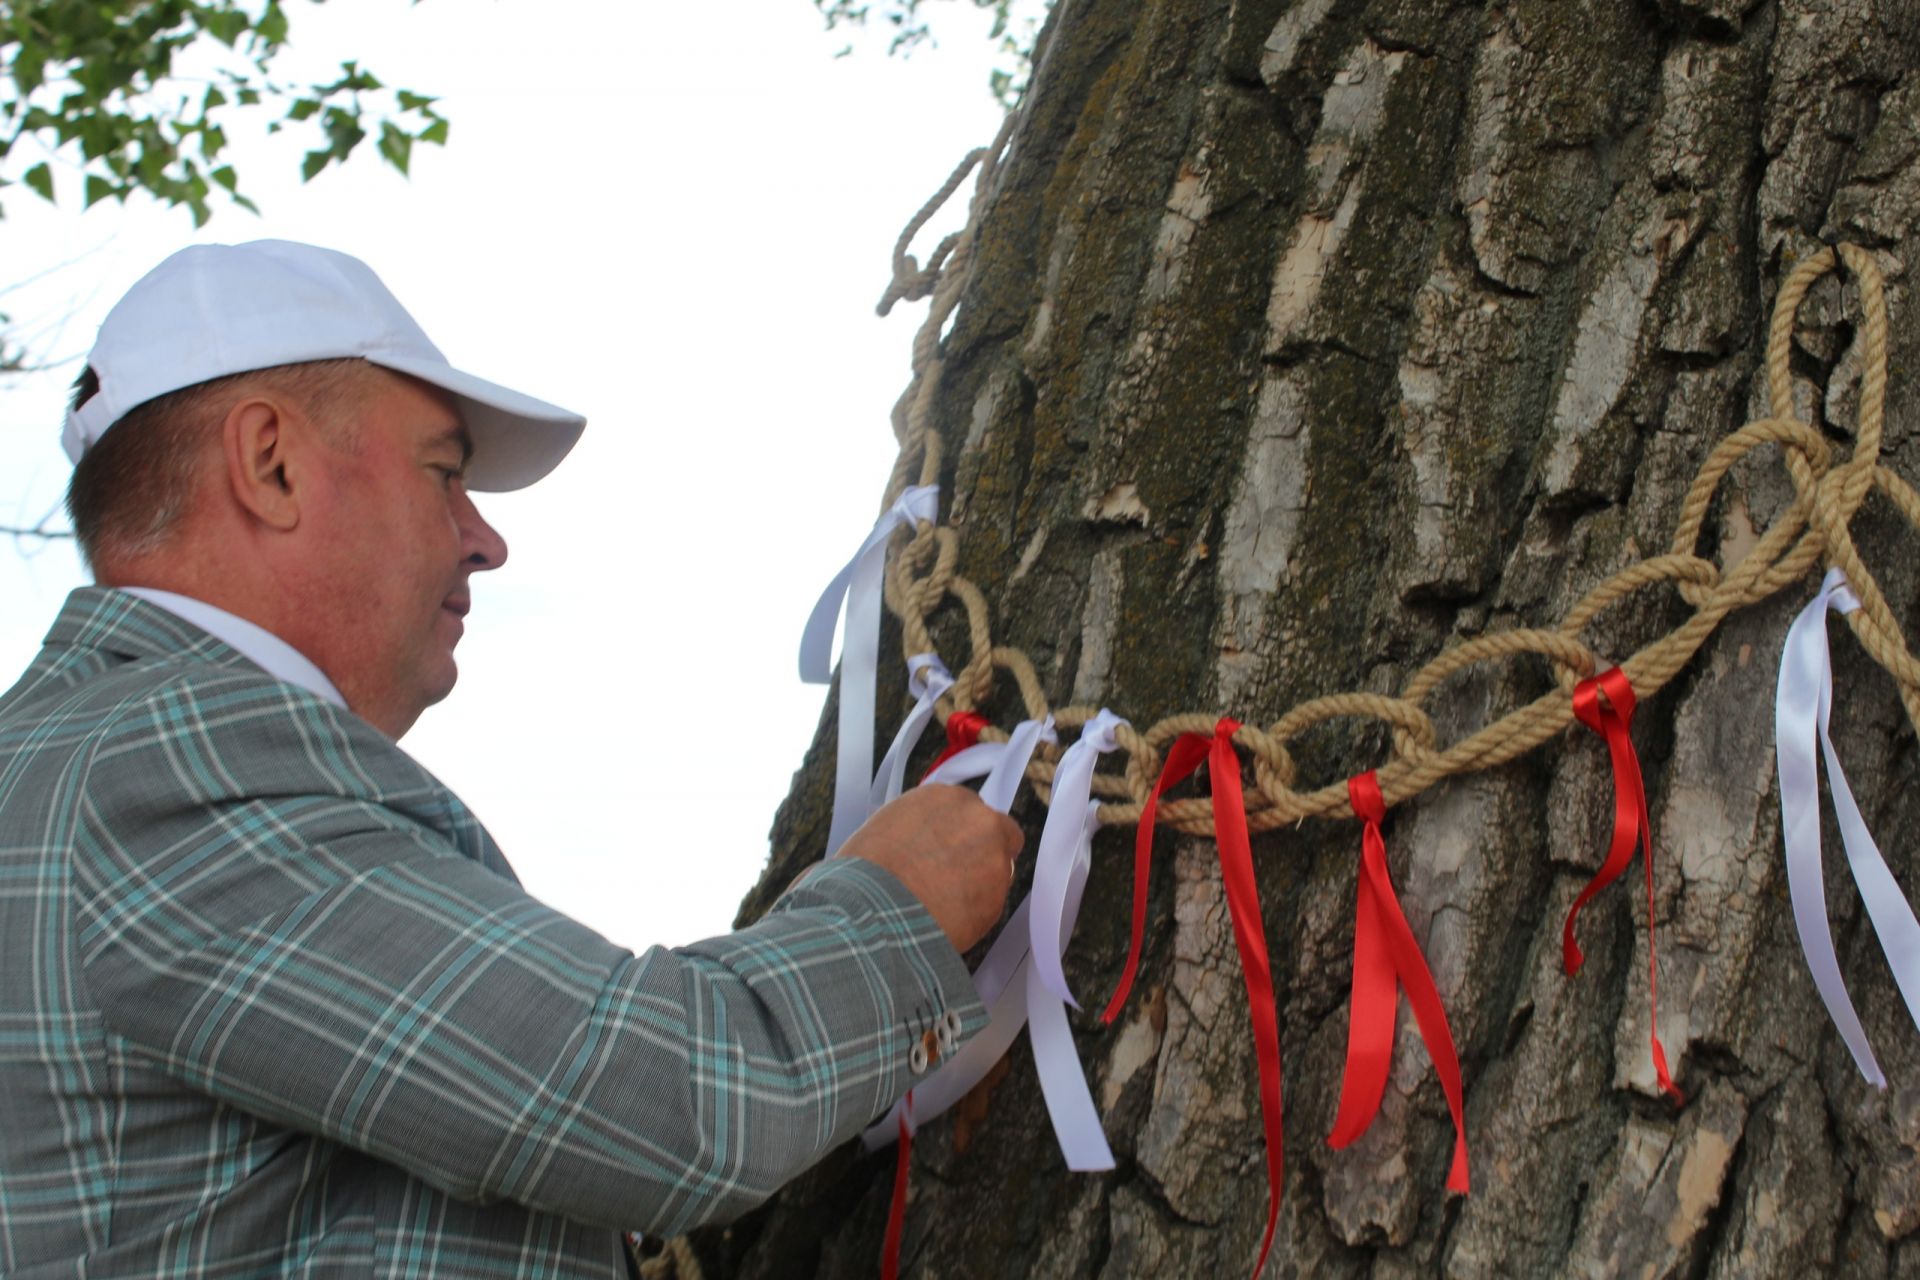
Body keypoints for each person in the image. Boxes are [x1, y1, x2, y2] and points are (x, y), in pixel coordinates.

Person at [0, 240, 1021, 1276]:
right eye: (445, 472)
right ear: (271, 462)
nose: (485, 539)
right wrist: (899, 909)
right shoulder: (170, 761)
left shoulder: (68, 755)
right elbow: (664, 1102)